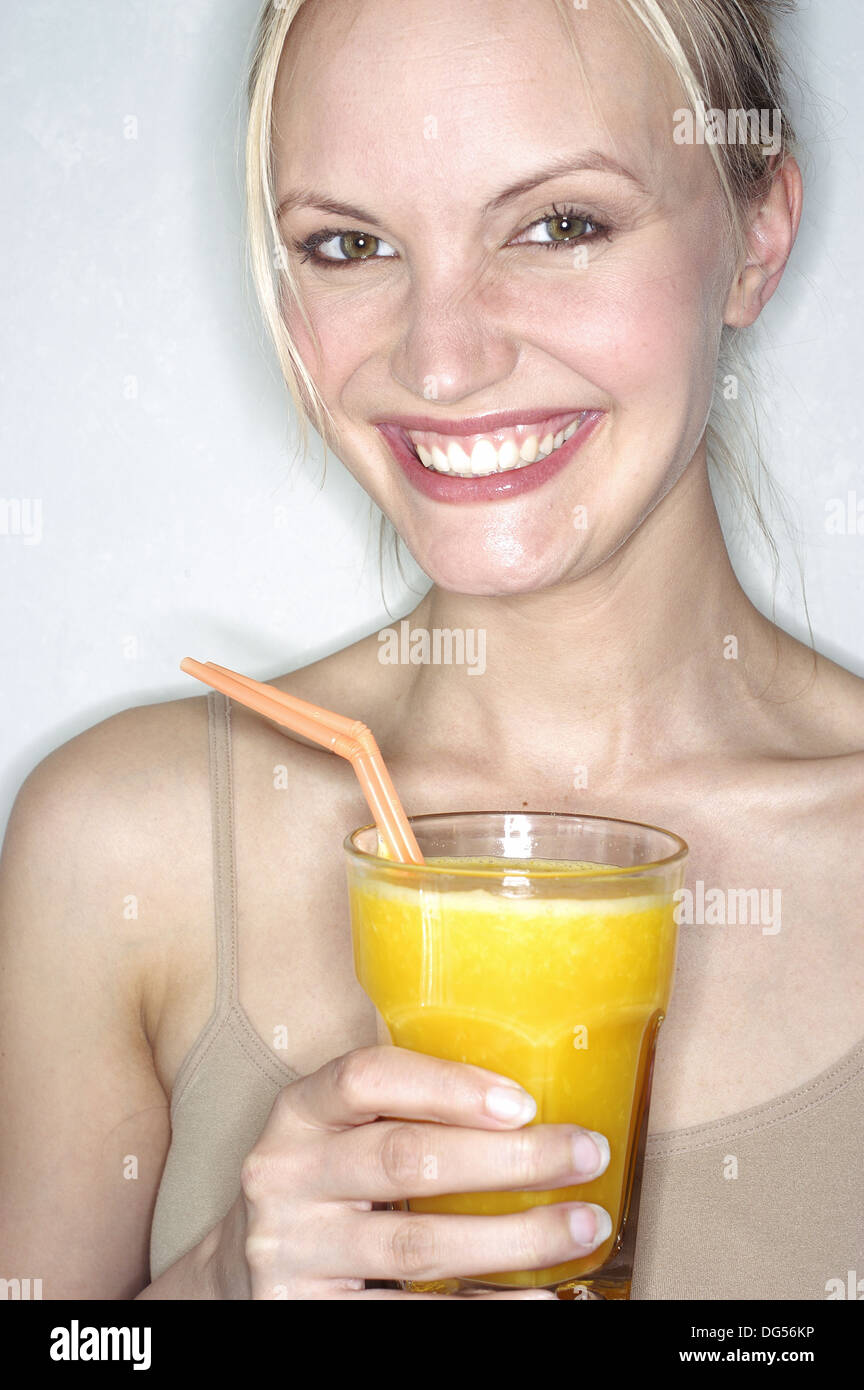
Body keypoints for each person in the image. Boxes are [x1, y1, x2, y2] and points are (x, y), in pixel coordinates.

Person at [1, 0, 862, 1302]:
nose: (443, 359)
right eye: (349, 244)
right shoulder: (119, 840)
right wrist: (218, 1289)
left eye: (559, 225)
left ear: (757, 232)